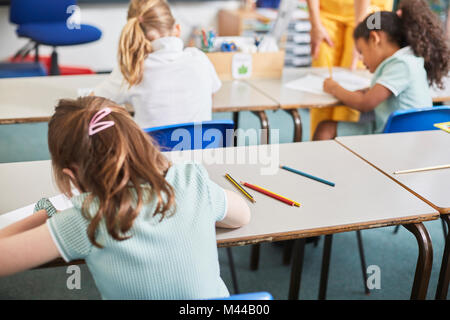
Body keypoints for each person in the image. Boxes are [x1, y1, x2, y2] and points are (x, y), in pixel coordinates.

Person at [0, 96, 251, 299]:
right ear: (140, 140)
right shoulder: (191, 180)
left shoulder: (87, 217)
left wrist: (49, 213)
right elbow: (242, 215)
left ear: (71, 174)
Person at [313, 0, 450, 140]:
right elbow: (383, 93)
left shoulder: (402, 64)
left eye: (361, 51)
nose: (361, 59)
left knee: (325, 129)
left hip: (397, 137)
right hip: (398, 132)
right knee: (326, 127)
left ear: (374, 39)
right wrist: (368, 90)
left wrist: (334, 88)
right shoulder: (406, 60)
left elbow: (364, 104)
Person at [93, 0, 221, 129]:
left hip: (152, 149)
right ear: (177, 29)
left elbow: (92, 103)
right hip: (201, 148)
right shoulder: (200, 59)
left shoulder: (134, 69)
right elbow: (212, 94)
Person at [306, 0, 394, 138]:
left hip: (370, 10)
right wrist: (315, 24)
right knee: (321, 86)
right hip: (329, 11)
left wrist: (361, 36)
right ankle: (318, 147)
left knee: (353, 83)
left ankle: (343, 150)